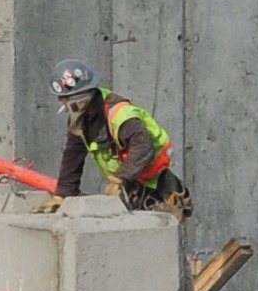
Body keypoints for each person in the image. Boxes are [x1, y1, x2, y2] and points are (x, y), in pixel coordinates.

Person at [53, 63, 186, 212]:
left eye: (63, 98)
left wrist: (120, 179)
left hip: (157, 188)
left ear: (79, 99)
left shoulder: (119, 113)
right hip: (131, 185)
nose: (61, 102)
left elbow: (143, 147)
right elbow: (73, 155)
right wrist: (64, 194)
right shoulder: (80, 119)